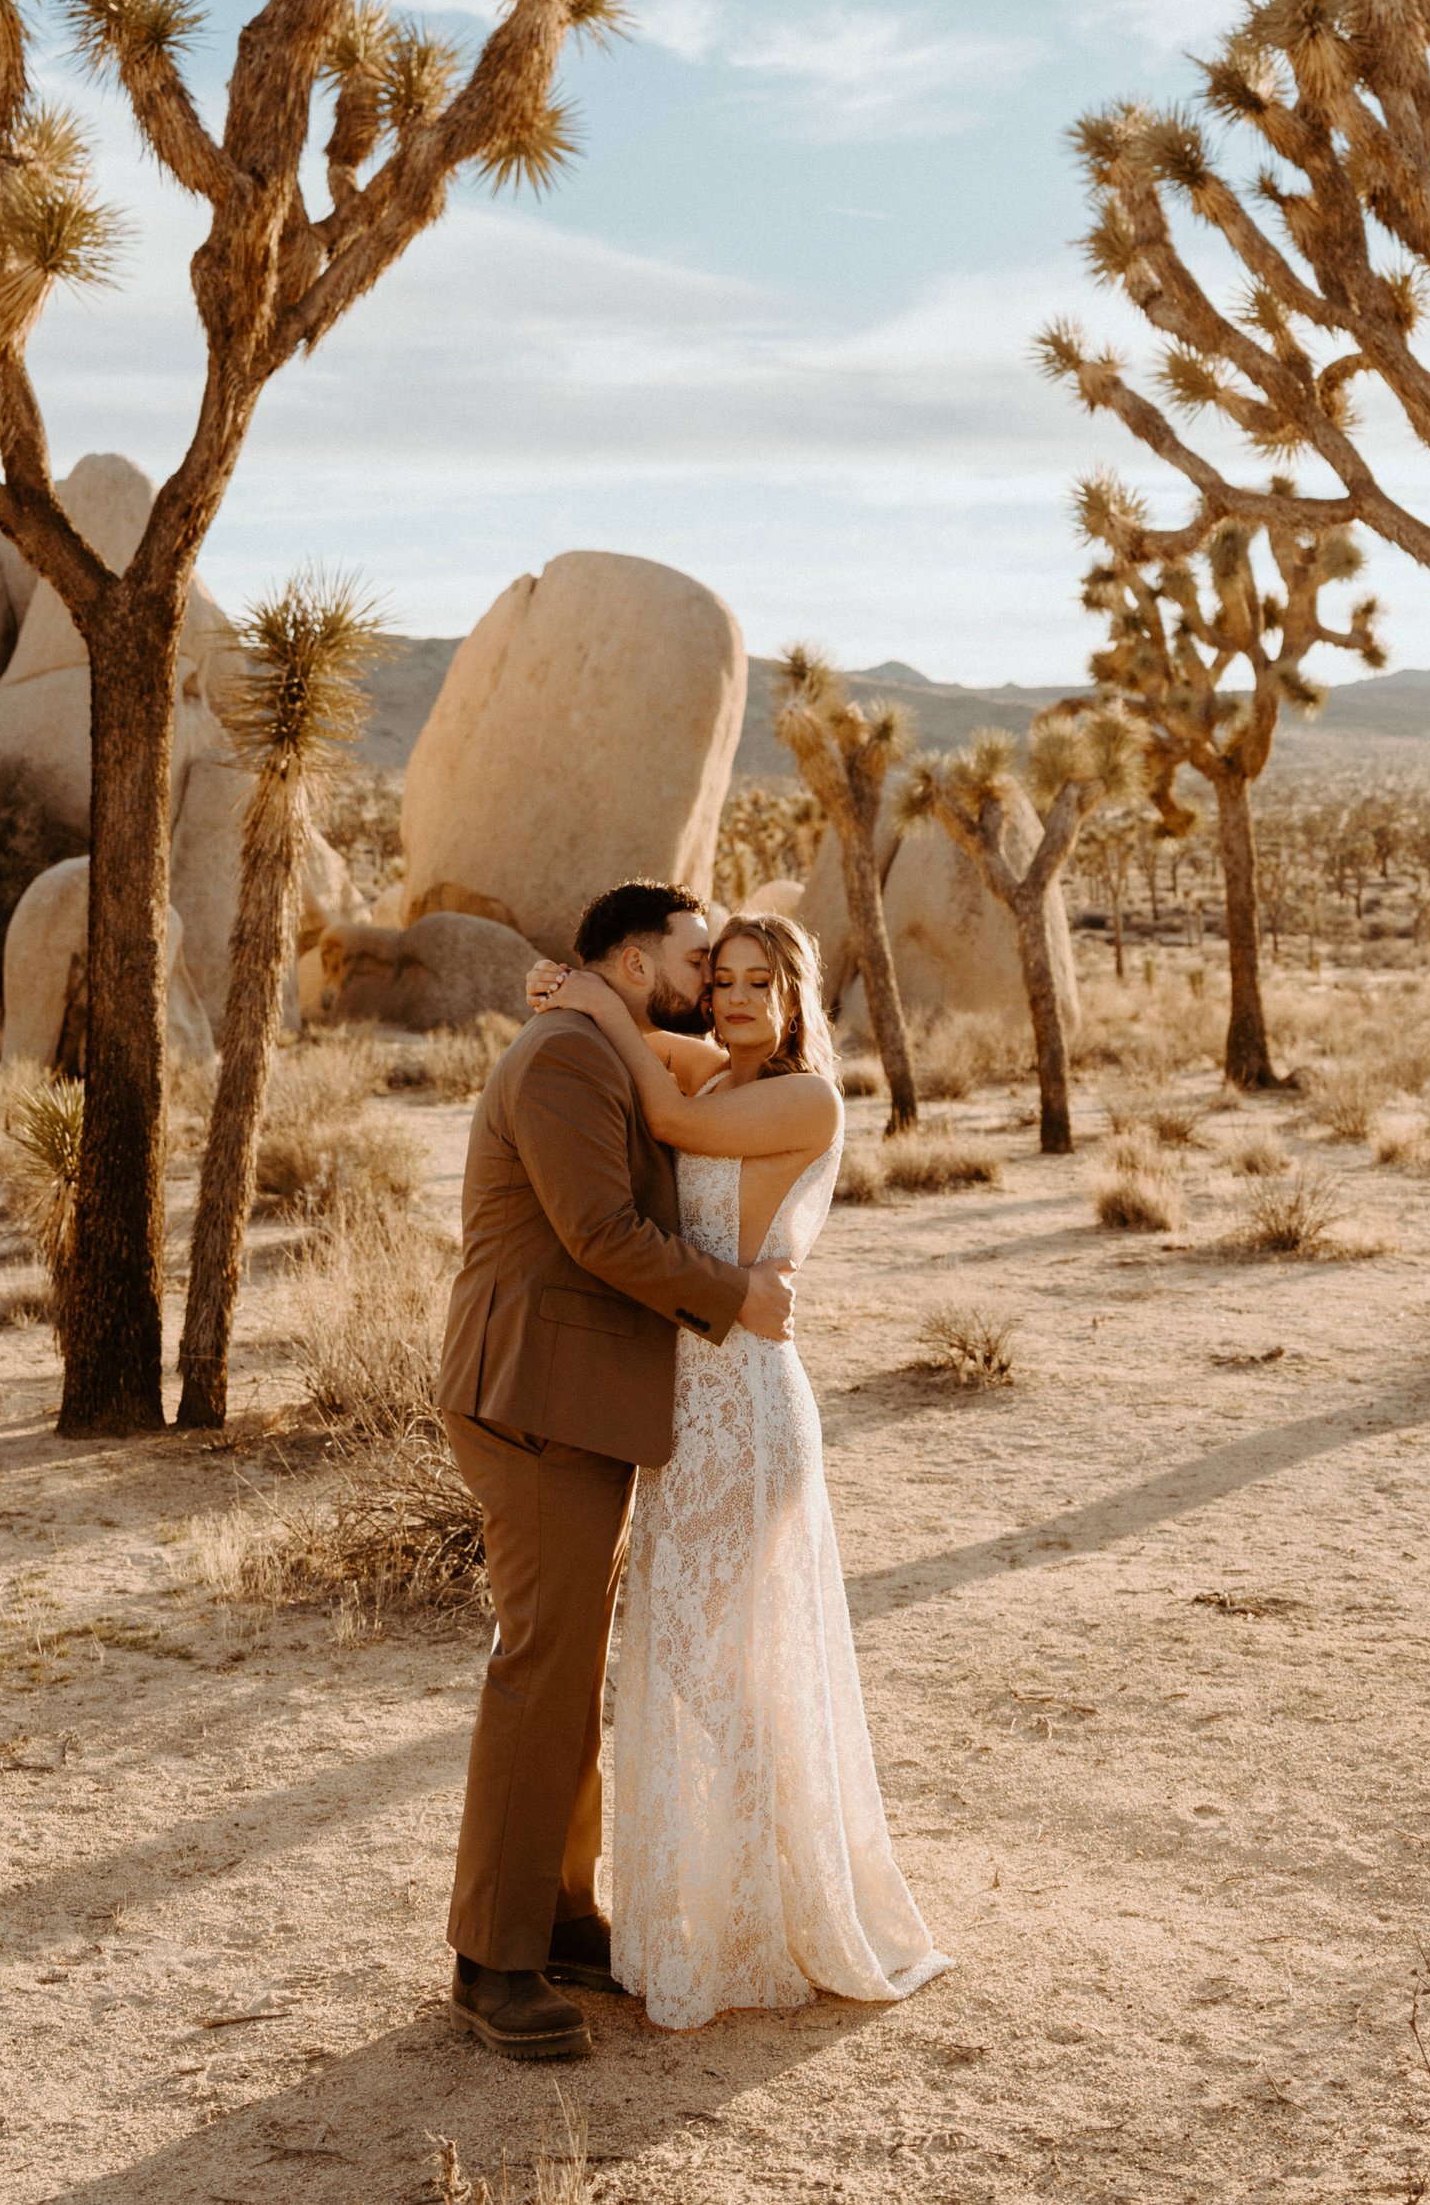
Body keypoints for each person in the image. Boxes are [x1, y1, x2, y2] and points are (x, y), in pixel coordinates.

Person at [533, 909, 951, 2033]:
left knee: (732, 1661)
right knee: (690, 1657)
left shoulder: (802, 1096)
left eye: (759, 980)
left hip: (748, 1406)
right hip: (687, 1399)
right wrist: (589, 996)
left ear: (797, 991)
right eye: (718, 977)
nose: (732, 997)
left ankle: (772, 1906)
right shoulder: (723, 1071)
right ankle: (720, 1904)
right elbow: (667, 1062)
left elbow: (659, 1105)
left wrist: (589, 1005)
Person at [436, 880, 799, 2063]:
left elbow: (699, 1053)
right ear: (641, 962)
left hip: (569, 1393)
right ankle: (493, 1960)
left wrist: (588, 990)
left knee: (566, 1663)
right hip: (536, 1394)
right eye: (696, 959)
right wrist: (734, 1295)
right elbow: (595, 1229)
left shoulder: (600, 1039)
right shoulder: (561, 1060)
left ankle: (560, 1913)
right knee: (539, 1667)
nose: (708, 982)